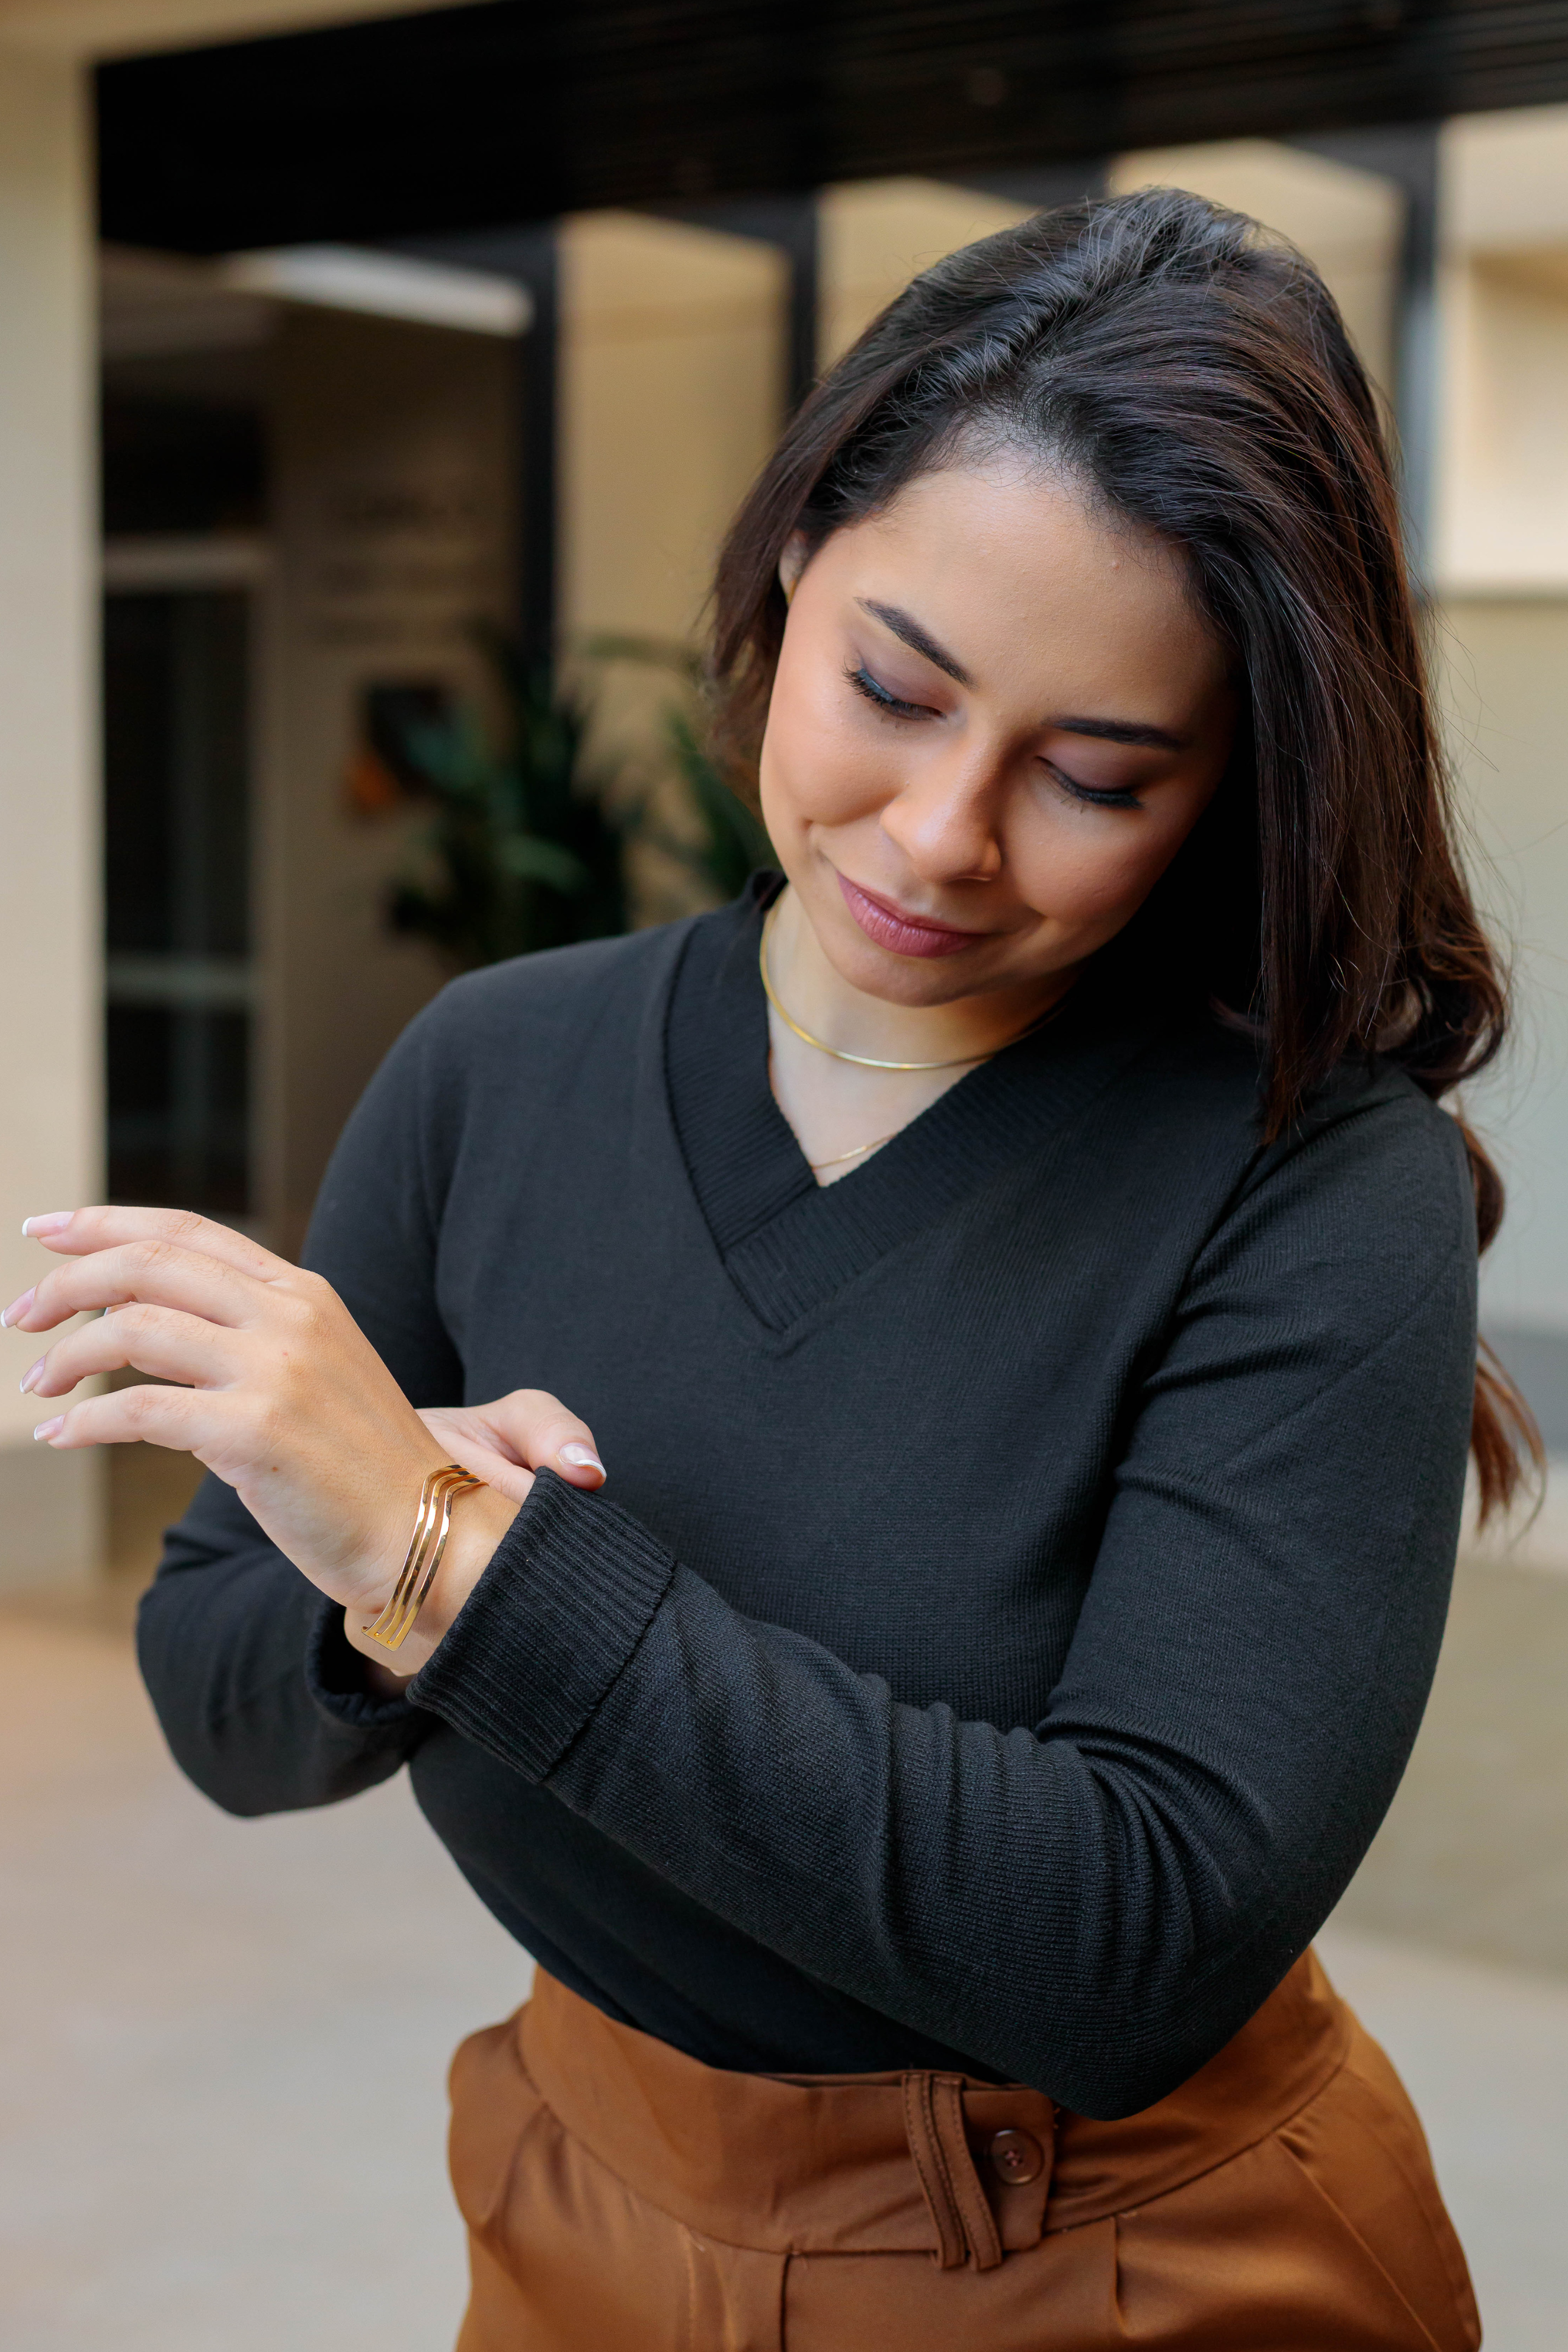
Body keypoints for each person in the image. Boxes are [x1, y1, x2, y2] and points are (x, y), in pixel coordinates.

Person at [7, 191, 1531, 2348]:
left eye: (1095, 773)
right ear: (796, 551)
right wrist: (361, 1547)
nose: (938, 834)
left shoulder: (1306, 1180)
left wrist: (460, 1560)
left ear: (1235, 784)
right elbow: (219, 1705)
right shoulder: (498, 1068)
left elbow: (1131, 1944)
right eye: (890, 689)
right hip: (578, 2207)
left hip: (1121, 2266)